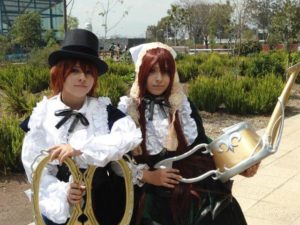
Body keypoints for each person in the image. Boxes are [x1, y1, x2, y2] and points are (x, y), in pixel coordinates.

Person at [117, 42, 259, 225]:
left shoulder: (183, 105)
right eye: (152, 71)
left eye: (165, 72)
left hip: (187, 185)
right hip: (150, 193)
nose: (159, 78)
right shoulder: (127, 109)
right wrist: (149, 176)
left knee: (221, 208)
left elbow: (202, 145)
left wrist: (239, 164)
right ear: (141, 73)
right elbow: (116, 162)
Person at [21, 29, 142, 225]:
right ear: (60, 73)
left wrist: (81, 149)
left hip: (104, 208)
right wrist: (64, 194)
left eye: (88, 72)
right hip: (61, 211)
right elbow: (36, 171)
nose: (82, 78)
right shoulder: (42, 115)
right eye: (75, 70)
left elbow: (127, 136)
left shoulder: (103, 111)